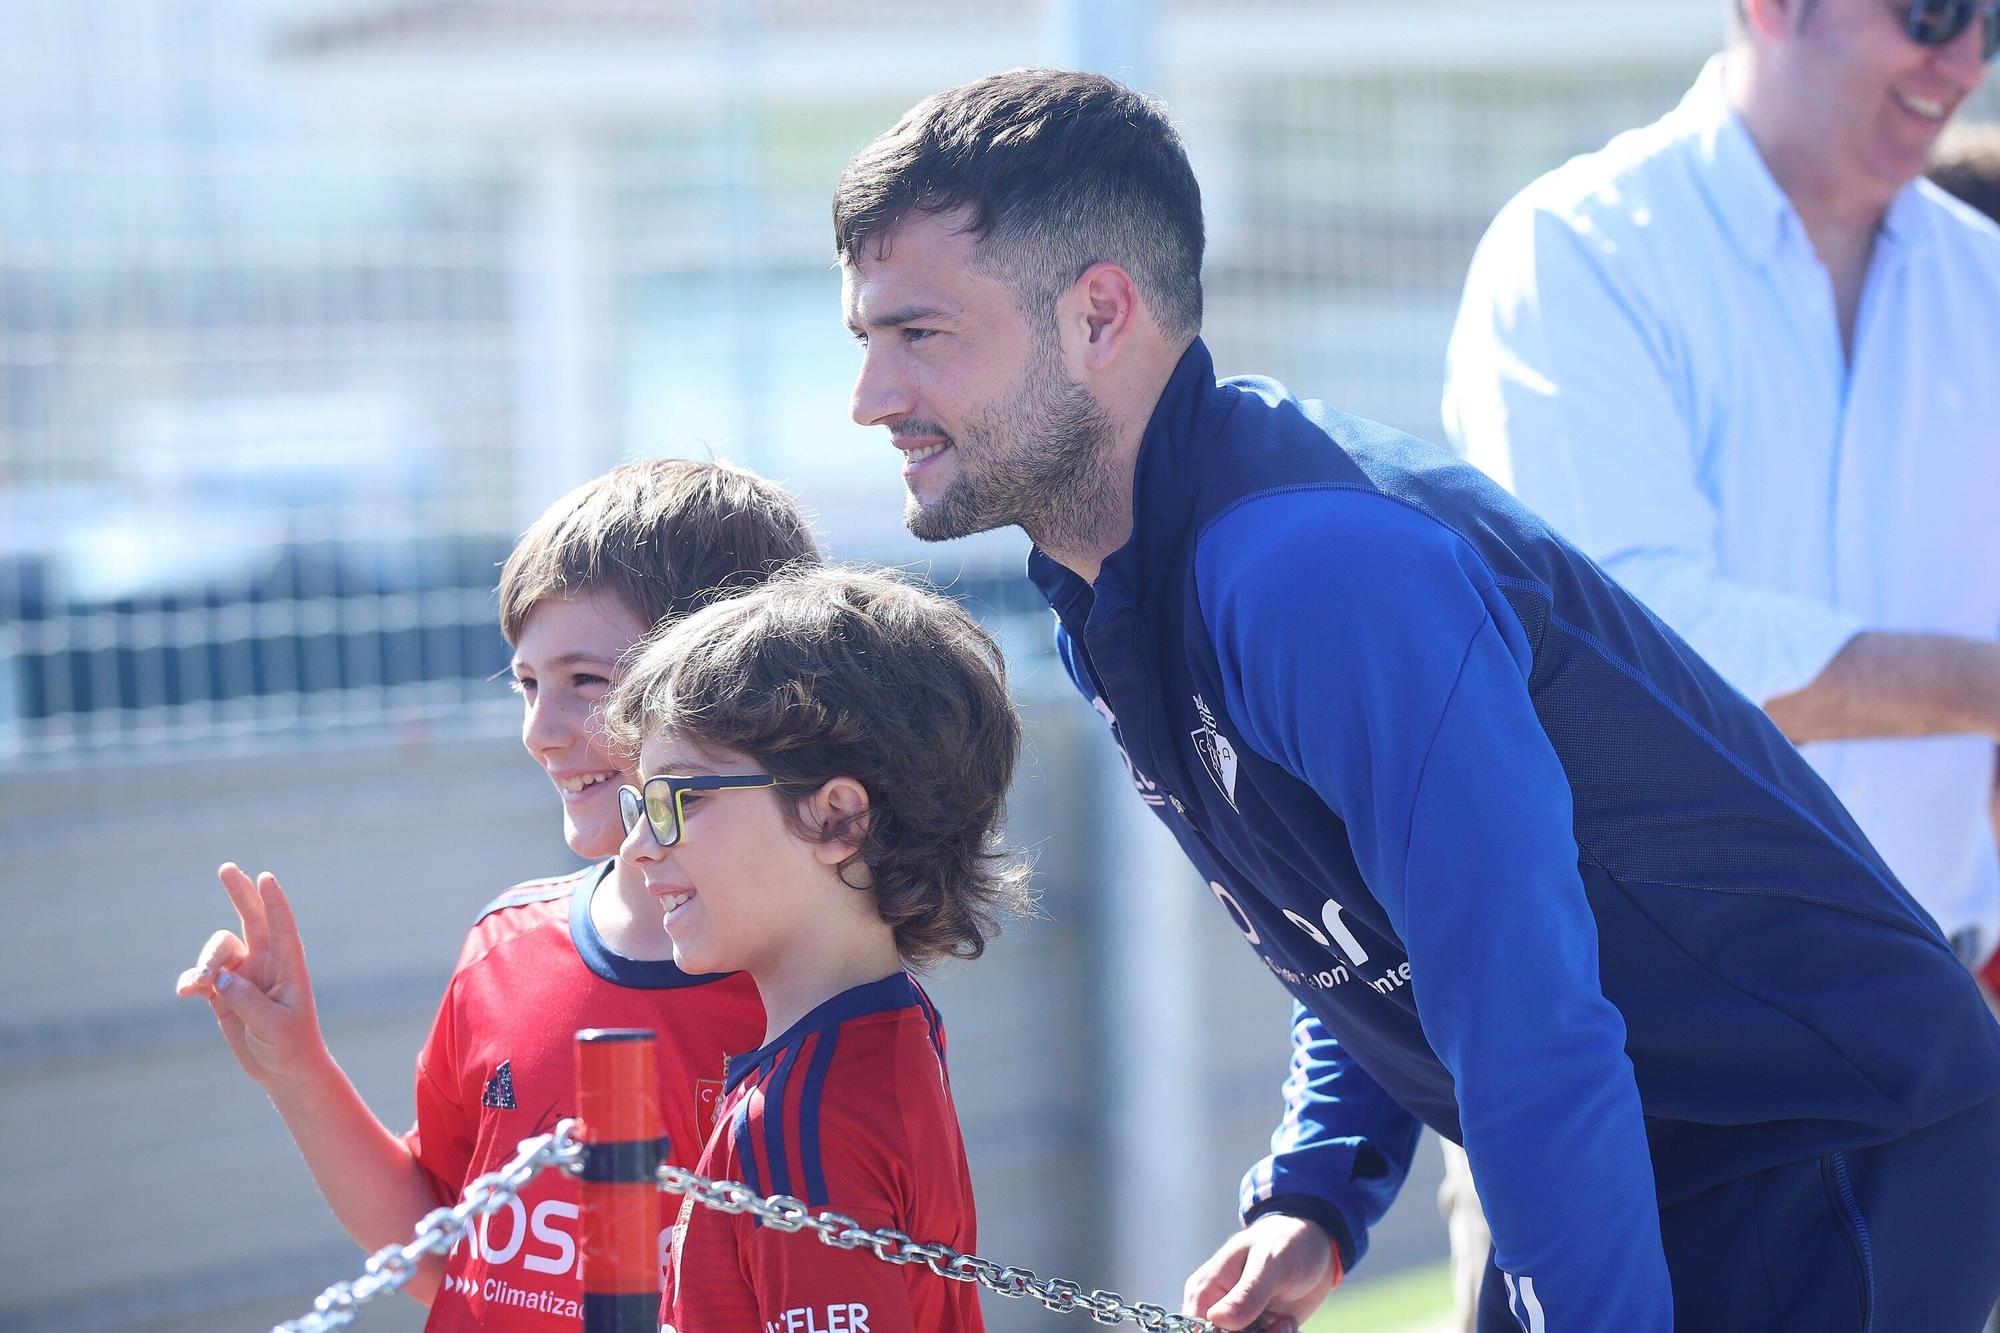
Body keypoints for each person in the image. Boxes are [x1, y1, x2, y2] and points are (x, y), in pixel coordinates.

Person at [833, 67, 2000, 1332]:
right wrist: (1316, 1189)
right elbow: (1358, 927)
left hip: (1819, 1149)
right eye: (866, 341)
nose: (872, 399)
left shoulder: (1310, 572)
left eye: (919, 335)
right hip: (1630, 1149)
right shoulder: (1118, 583)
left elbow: (1523, 1016)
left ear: (1099, 315)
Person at [174, 459, 818, 1328]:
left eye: (587, 681)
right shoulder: (507, 944)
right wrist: (296, 1067)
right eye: (526, 683)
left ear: (727, 680)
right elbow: (441, 1250)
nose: (540, 731)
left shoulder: (815, 988)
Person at [1442, 0, 2000, 977]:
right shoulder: (1578, 249)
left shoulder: (1981, 281)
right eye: (1931, 11)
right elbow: (1633, 650)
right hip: (1669, 1046)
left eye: (1988, 27)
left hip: (1942, 1014)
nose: (1960, 61)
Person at [603, 566, 1028, 1333]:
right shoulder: (890, 1026)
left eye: (677, 799)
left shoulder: (800, 1117)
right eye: (639, 802)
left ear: (837, 820)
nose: (635, 844)